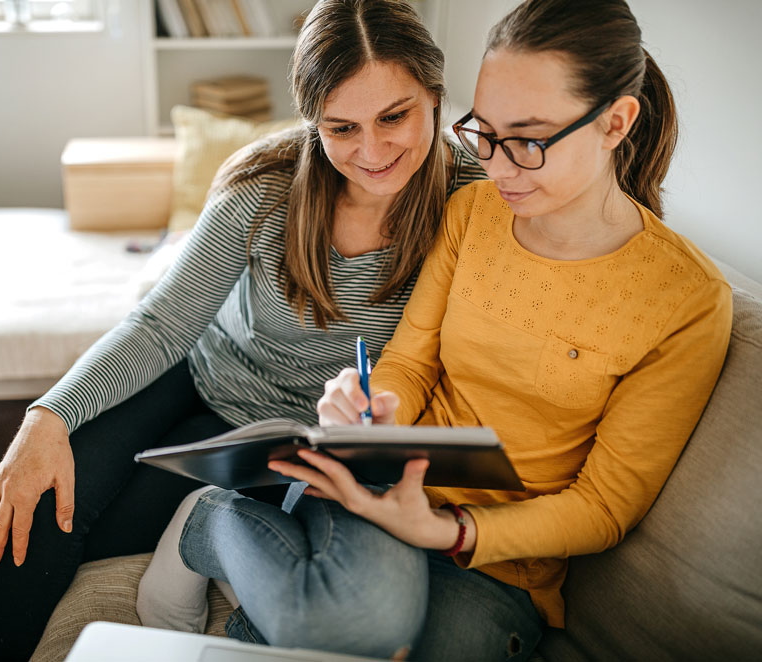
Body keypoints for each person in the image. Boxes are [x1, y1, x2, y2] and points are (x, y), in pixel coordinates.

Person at [139, 0, 734, 660]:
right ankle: (212, 520)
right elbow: (411, 361)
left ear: (615, 123)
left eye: (528, 139)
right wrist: (379, 403)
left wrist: (452, 532)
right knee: (356, 630)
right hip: (376, 487)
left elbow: (604, 507)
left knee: (367, 642)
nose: (497, 167)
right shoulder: (473, 211)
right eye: (485, 130)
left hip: (499, 564)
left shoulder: (687, 300)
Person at [0, 1, 484, 658]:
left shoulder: (475, 202)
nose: (373, 151)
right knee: (35, 505)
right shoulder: (262, 186)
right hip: (202, 376)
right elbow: (161, 326)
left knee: (103, 539)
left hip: (299, 441)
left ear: (436, 96)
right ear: (310, 122)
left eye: (395, 117)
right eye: (341, 127)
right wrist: (48, 415)